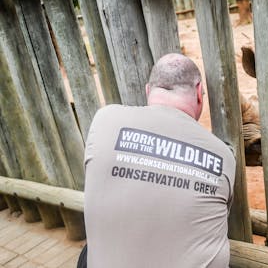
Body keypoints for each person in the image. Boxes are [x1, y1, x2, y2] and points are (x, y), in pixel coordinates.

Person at [80, 53, 236, 268]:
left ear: (148, 90)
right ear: (199, 92)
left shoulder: (104, 119)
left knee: (87, 253)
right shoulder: (222, 154)